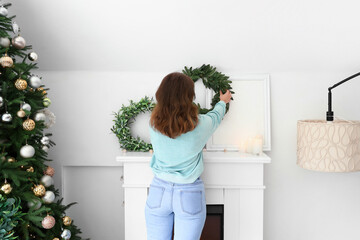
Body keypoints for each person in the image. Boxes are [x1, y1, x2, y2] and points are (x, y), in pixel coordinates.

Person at [145, 72, 232, 240]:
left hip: (158, 192)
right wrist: (223, 102)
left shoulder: (153, 123)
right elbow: (216, 116)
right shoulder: (201, 125)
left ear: (161, 94)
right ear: (190, 96)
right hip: (188, 192)